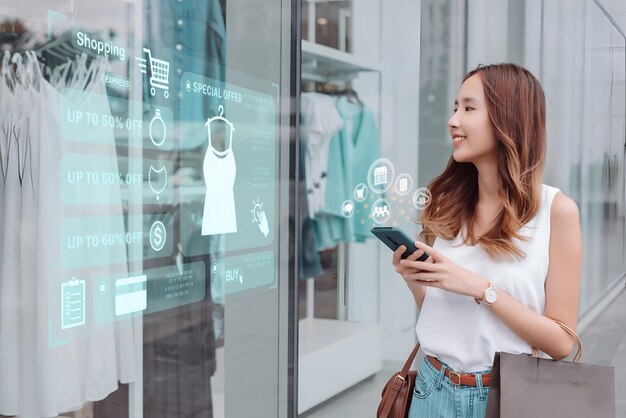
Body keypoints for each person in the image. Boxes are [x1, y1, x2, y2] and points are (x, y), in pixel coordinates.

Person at [392, 63, 582, 418]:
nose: (452, 120)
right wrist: (414, 279)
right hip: (432, 391)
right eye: (455, 107)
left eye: (468, 108)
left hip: (506, 398)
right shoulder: (446, 206)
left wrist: (482, 289)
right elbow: (439, 314)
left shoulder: (557, 212)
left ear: (507, 119)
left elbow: (562, 343)